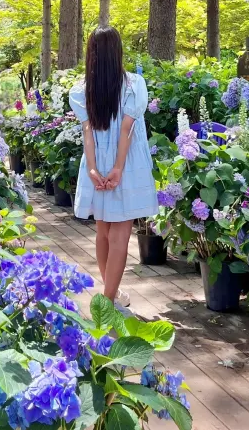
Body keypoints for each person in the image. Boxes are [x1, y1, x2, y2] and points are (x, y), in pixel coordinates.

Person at [69, 26, 158, 308]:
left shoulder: (83, 90)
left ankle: (110, 294)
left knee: (103, 230)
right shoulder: (134, 85)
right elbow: (127, 132)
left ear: (91, 54)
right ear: (117, 52)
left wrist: (94, 169)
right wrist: (119, 168)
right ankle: (108, 299)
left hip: (99, 161)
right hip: (126, 162)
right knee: (120, 232)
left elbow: (87, 131)